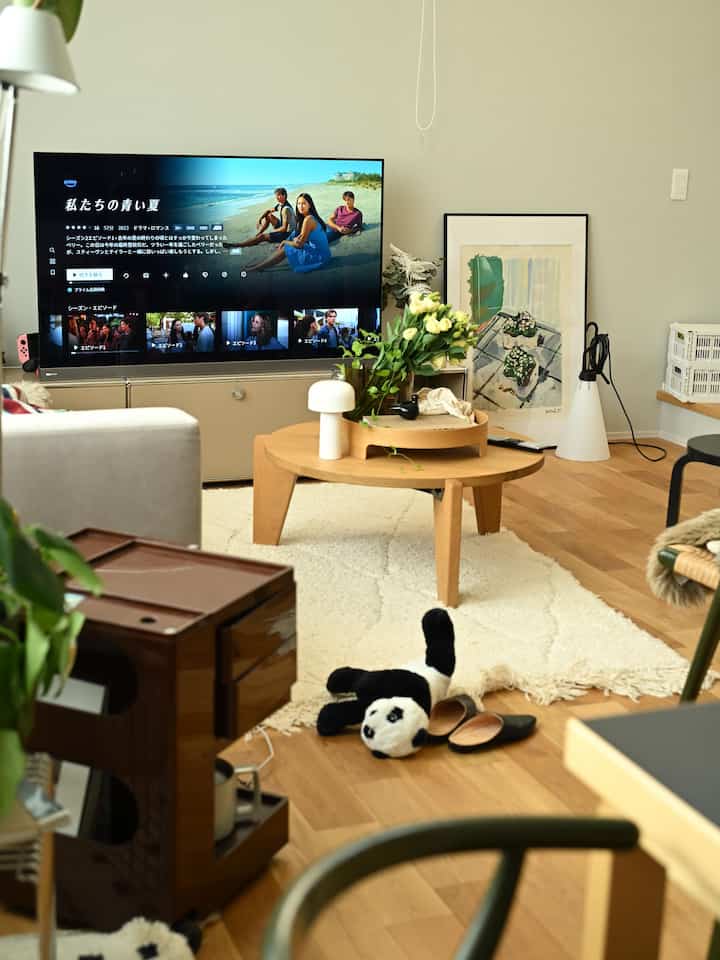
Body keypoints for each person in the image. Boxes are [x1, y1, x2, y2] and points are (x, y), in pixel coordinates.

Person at [243, 193, 330, 273]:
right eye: (298, 203)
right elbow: (304, 236)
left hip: (320, 257)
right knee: (290, 244)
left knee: (286, 247)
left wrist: (284, 241)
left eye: (304, 203)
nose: (300, 206)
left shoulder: (308, 219)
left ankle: (257, 268)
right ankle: (260, 265)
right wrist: (296, 239)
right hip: (324, 253)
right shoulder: (310, 217)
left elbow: (299, 245)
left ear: (309, 205)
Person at [222, 187, 296, 249]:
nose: (276, 197)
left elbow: (284, 229)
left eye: (278, 195)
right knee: (269, 215)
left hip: (287, 234)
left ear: (283, 196)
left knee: (262, 237)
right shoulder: (280, 205)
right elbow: (268, 211)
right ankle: (259, 234)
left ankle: (238, 245)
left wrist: (272, 232)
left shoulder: (286, 209)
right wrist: (260, 219)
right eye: (276, 195)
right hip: (283, 227)